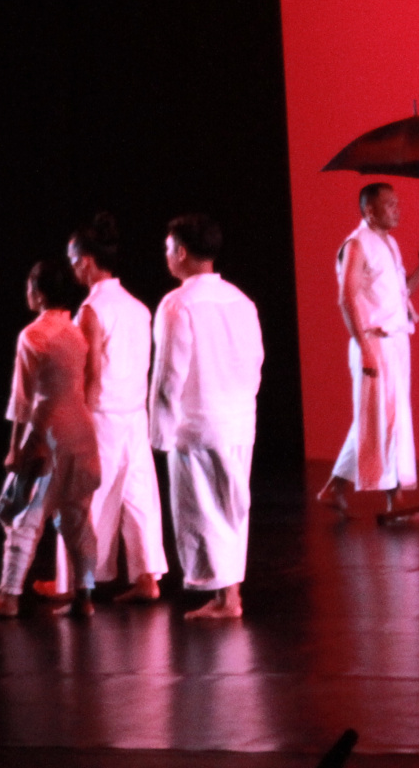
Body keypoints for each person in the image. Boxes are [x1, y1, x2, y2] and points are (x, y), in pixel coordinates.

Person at [0, 256, 101, 619]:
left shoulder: (33, 335)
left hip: (48, 433)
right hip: (81, 432)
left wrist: (15, 448)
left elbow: (22, 400)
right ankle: (84, 596)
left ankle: (9, 597)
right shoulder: (75, 332)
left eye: (30, 286)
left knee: (23, 518)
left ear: (40, 293)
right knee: (77, 520)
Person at [149, 213, 264, 621]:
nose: (166, 256)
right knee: (233, 508)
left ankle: (225, 597)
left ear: (181, 251)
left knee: (203, 511)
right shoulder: (241, 301)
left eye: (167, 249)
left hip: (197, 421)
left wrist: (159, 434)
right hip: (237, 419)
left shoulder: (177, 304)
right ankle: (227, 595)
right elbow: (255, 360)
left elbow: (167, 377)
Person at [316, 183, 419, 521]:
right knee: (388, 419)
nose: (398, 209)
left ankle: (334, 488)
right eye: (390, 205)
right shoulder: (356, 245)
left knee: (379, 418)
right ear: (369, 211)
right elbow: (346, 297)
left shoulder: (390, 243)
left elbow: (400, 294)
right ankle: (395, 503)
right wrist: (365, 349)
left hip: (395, 341)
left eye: (397, 203)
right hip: (374, 341)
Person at [68, 213, 167, 601]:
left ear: (87, 260)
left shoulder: (93, 309)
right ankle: (146, 578)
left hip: (103, 413)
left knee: (90, 496)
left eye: (75, 260)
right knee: (138, 495)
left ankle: (80, 582)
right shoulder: (138, 307)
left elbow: (90, 371)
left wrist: (79, 417)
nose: (73, 269)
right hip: (133, 412)